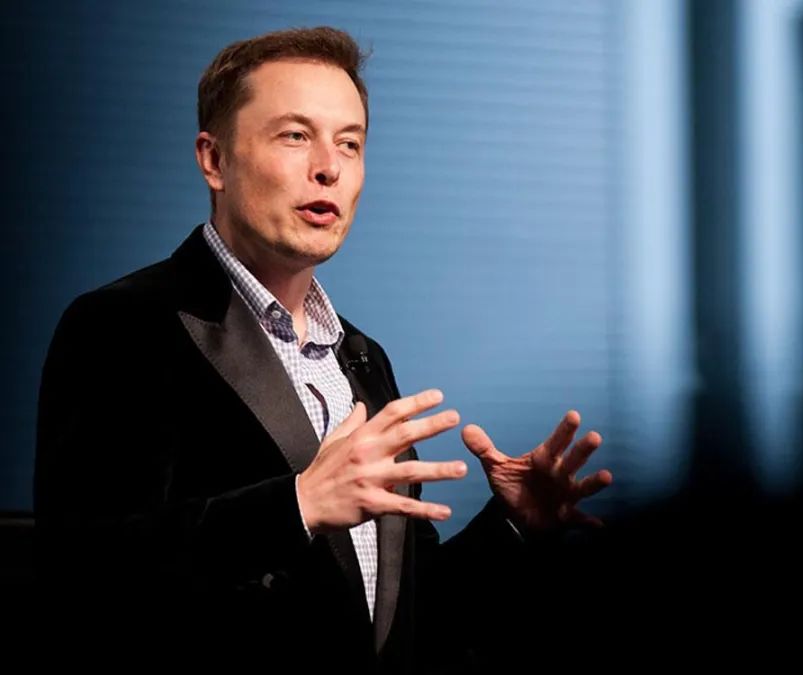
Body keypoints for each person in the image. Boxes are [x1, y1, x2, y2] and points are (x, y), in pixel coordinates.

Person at [33, 26, 611, 670]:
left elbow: (402, 625)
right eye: (294, 135)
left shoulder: (362, 358)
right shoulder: (124, 326)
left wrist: (512, 524)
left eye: (349, 143)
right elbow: (83, 574)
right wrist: (299, 506)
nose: (328, 167)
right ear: (214, 161)